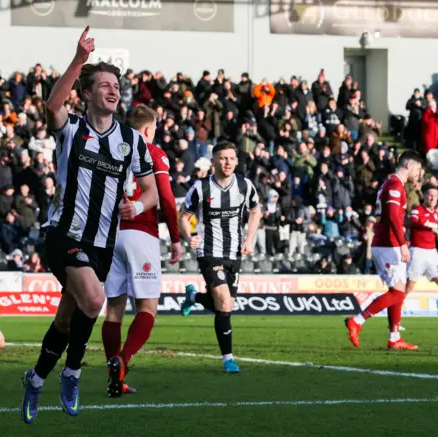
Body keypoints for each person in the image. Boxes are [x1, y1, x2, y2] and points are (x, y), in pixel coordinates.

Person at [21, 26, 158, 424]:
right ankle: (73, 372)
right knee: (96, 301)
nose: (113, 91)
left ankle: (34, 378)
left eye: (116, 85)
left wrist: (138, 206)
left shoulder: (131, 140)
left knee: (67, 320)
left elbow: (149, 191)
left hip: (101, 244)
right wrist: (79, 59)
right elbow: (51, 105)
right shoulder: (72, 128)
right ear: (87, 93)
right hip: (64, 234)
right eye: (104, 85)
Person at [101, 104, 183, 397]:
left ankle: (115, 378)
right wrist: (175, 238)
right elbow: (166, 198)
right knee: (147, 308)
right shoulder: (153, 151)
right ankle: (121, 362)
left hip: (111, 236)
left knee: (113, 310)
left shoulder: (112, 149)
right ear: (148, 129)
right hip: (142, 234)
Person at [179, 141, 262, 373]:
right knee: (224, 302)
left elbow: (255, 212)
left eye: (231, 158)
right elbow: (183, 217)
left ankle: (194, 297)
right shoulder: (201, 188)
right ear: (213, 161)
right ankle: (228, 359)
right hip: (209, 251)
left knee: (224, 307)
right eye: (223, 158)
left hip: (235, 252)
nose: (227, 163)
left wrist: (249, 239)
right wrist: (189, 237)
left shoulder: (245, 185)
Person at [345, 150, 425, 350]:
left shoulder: (390, 184)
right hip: (388, 244)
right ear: (409, 165)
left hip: (387, 242)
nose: (419, 173)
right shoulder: (395, 185)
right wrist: (402, 243)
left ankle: (394, 337)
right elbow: (393, 216)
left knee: (396, 291)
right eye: (418, 168)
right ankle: (357, 321)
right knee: (398, 294)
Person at [404, 185, 438, 328]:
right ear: (424, 196)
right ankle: (394, 320)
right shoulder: (417, 210)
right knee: (407, 288)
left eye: (435, 196)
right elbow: (414, 223)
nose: (432, 198)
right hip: (417, 253)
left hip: (432, 253)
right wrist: (433, 229)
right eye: (430, 195)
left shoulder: (436, 213)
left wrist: (437, 232)